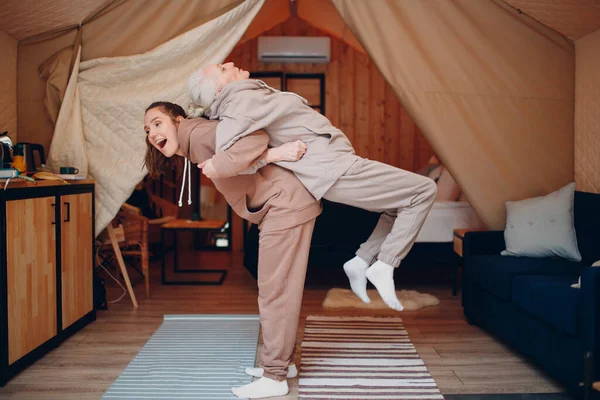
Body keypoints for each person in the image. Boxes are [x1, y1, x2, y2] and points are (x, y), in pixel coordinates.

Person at [187, 62, 438, 311]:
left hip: (333, 165)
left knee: (396, 206)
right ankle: (385, 264)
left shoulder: (246, 95)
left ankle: (361, 261)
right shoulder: (239, 104)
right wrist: (248, 160)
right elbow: (230, 157)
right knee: (423, 190)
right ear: (219, 91)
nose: (229, 64)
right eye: (221, 69)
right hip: (331, 168)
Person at [143, 101, 318, 399]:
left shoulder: (197, 133)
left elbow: (254, 135)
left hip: (285, 205)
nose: (152, 133)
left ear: (179, 121)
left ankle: (275, 377)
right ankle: (283, 364)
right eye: (147, 130)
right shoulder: (192, 143)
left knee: (276, 293)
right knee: (277, 291)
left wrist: (228, 163)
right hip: (278, 206)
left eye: (157, 123)